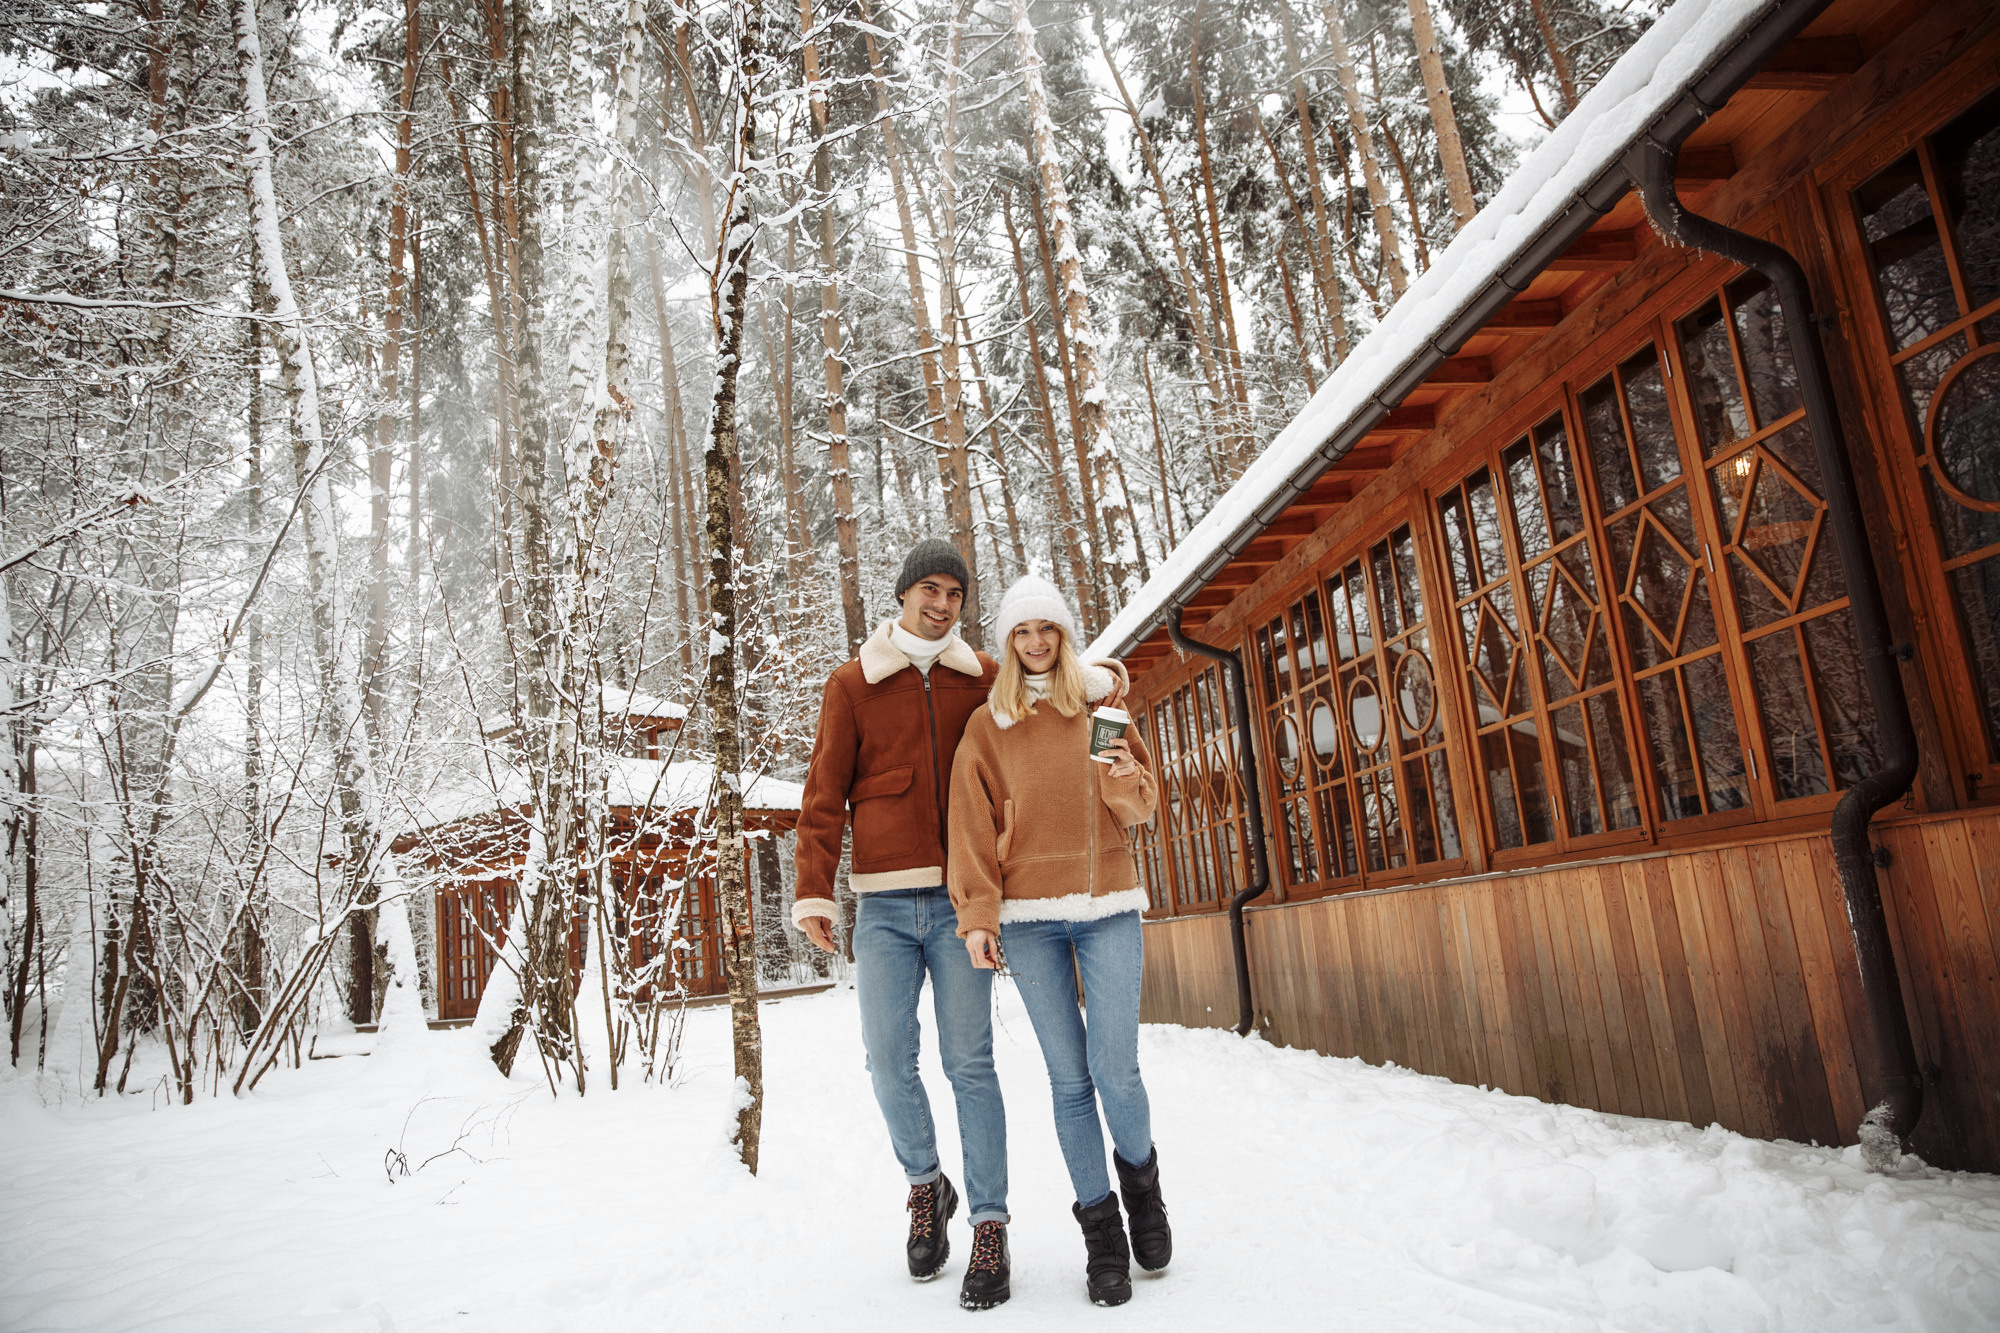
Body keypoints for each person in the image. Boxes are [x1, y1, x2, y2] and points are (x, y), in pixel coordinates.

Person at [791, 538, 1013, 1311]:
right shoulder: (853, 685)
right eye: (930, 589)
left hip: (960, 904)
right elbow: (823, 794)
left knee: (970, 1063)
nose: (943, 603)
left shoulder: (981, 677)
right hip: (882, 908)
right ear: (904, 594)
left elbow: (1037, 714)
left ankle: (990, 1224)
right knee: (887, 1060)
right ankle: (927, 1183)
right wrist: (814, 891)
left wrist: (1097, 686)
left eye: (955, 592)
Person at [946, 575, 1172, 1309]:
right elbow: (970, 827)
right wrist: (979, 916)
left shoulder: (1100, 706)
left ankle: (1143, 1192)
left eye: (1047, 628)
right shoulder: (989, 724)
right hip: (1029, 919)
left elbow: (1139, 809)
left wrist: (1124, 773)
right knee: (1069, 1081)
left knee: (1116, 1069)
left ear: (1065, 635)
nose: (1036, 642)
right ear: (1008, 642)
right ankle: (1101, 1236)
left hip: (1108, 906)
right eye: (1022, 631)